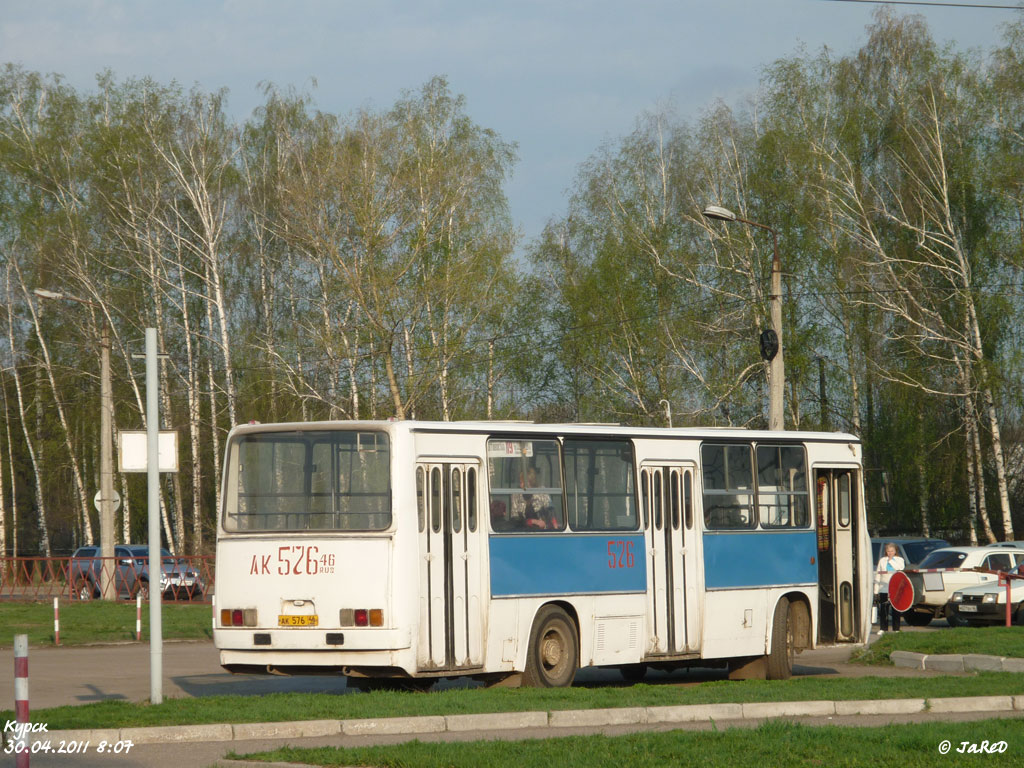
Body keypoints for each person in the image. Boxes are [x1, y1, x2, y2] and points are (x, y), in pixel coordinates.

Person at [875, 542, 906, 633]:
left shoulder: (899, 560)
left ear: (895, 551)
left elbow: (900, 568)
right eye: (888, 551)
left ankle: (896, 628)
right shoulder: (882, 560)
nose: (890, 553)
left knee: (896, 609)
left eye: (892, 551)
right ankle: (883, 628)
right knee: (883, 609)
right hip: (884, 588)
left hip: (895, 587)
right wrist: (876, 590)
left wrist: (891, 560)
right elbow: (878, 574)